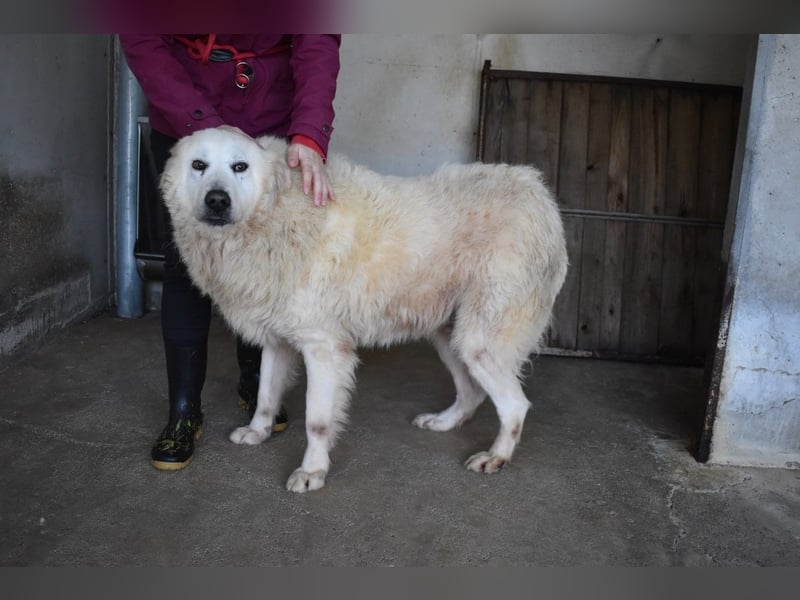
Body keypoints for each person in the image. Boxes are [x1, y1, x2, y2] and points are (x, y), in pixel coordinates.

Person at [119, 34, 341, 471]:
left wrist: (311, 131)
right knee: (186, 264)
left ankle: (257, 382)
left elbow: (317, 36)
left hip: (269, 112)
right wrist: (201, 119)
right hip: (184, 106)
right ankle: (183, 412)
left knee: (264, 259)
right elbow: (141, 33)